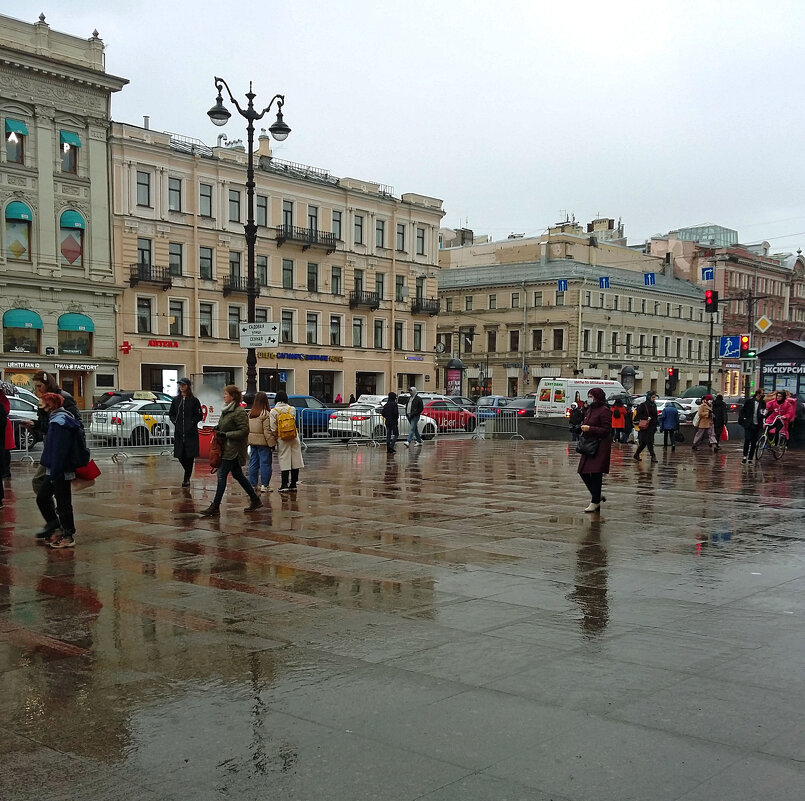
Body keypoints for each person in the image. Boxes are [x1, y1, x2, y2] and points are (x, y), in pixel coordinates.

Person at [200, 385, 262, 517]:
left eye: (226, 394)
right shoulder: (227, 410)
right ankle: (255, 499)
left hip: (233, 449)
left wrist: (226, 435)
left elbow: (244, 431)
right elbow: (226, 425)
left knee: (222, 475)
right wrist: (218, 428)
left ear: (233, 396)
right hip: (226, 447)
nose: (224, 396)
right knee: (238, 475)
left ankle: (215, 506)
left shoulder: (239, 412)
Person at [36, 393, 85, 548]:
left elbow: (59, 450)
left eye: (42, 404)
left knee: (63, 503)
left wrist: (55, 473)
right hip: (55, 469)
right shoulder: (59, 420)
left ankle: (68, 535)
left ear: (50, 406)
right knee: (44, 498)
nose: (40, 407)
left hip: (59, 470)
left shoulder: (59, 423)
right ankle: (57, 527)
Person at [25, 371, 80, 506]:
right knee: (56, 488)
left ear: (47, 384)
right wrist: (35, 424)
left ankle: (56, 519)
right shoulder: (44, 399)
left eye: (39, 386)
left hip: (60, 451)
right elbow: (46, 423)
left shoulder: (63, 398)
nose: (37, 390)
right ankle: (57, 518)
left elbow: (76, 423)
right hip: (52, 449)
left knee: (45, 483)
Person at [577, 387, 612, 512]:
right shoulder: (590, 409)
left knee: (596, 473)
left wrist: (590, 429)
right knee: (583, 471)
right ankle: (596, 495)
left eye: (591, 396)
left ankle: (595, 501)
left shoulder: (604, 410)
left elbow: (607, 430)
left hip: (600, 446)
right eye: (589, 396)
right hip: (589, 445)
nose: (589, 399)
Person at [169, 377, 203, 487]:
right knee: (180, 455)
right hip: (179, 432)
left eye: (183, 385)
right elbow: (172, 413)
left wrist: (191, 423)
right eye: (180, 385)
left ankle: (186, 478)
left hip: (190, 432)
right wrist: (175, 421)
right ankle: (187, 472)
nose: (182, 387)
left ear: (188, 386)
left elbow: (199, 415)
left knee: (190, 455)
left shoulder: (194, 400)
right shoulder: (176, 400)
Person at [269, 390, 304, 492]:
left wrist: (276, 438)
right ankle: (293, 483)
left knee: (284, 459)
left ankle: (284, 484)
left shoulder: (274, 411)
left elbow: (273, 428)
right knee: (295, 458)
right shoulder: (291, 409)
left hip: (282, 437)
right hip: (293, 436)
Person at [248, 391, 275, 492]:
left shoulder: (251, 413)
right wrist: (272, 444)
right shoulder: (265, 414)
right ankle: (265, 485)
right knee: (265, 463)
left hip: (253, 442)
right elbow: (267, 431)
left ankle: (253, 484)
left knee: (253, 463)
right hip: (263, 443)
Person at [739, 389, 766, 463]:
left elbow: (763, 412)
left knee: (754, 442)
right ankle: (745, 457)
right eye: (761, 394)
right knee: (747, 440)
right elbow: (743, 410)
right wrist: (743, 419)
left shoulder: (762, 403)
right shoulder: (749, 402)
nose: (762, 395)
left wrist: (764, 415)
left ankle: (750, 458)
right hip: (749, 424)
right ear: (757, 394)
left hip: (757, 424)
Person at [633, 391, 659, 463]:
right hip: (645, 427)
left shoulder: (654, 405)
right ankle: (653, 456)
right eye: (652, 397)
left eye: (654, 397)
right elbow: (638, 416)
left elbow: (655, 416)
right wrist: (646, 418)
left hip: (652, 426)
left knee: (644, 443)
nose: (654, 399)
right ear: (648, 397)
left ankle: (636, 454)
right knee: (649, 442)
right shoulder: (643, 405)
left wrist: (656, 424)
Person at [0, 382, 15, 483]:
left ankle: (5, 470)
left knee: (4, 449)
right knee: (5, 448)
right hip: (6, 423)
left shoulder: (1, 398)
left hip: (4, 424)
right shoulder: (3, 397)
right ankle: (6, 470)